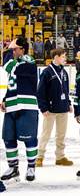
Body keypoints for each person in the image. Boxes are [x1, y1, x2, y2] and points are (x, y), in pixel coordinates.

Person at [0, 37, 38, 182]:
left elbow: (8, 65)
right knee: (8, 138)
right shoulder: (16, 63)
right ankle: (13, 168)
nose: (12, 52)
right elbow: (12, 84)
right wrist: (5, 99)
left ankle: (31, 167)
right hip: (12, 105)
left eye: (14, 49)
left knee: (29, 138)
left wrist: (7, 51)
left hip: (26, 105)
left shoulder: (28, 60)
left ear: (22, 49)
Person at [36, 49, 73, 167]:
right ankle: (39, 157)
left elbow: (66, 90)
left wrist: (69, 103)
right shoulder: (47, 72)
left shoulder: (64, 72)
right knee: (46, 134)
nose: (65, 59)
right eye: (63, 56)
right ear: (56, 57)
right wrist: (43, 108)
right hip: (50, 110)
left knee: (61, 134)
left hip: (63, 108)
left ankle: (60, 157)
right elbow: (40, 92)